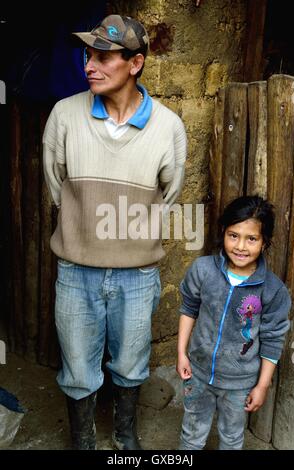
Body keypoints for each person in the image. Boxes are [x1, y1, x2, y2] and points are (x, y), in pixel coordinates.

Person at [42, 14, 187, 450]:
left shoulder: (168, 127)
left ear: (135, 63)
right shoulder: (65, 115)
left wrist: (127, 237)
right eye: (89, 54)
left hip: (137, 275)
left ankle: (126, 437)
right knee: (78, 367)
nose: (90, 65)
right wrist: (84, 229)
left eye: (104, 56)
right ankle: (83, 440)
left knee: (130, 362)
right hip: (76, 269)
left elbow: (169, 196)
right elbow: (57, 187)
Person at [176, 195, 291, 450]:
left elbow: (273, 340)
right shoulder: (203, 270)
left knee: (231, 438)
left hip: (240, 384)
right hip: (199, 374)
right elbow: (189, 308)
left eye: (251, 238)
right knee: (192, 435)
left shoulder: (273, 290)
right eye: (233, 235)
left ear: (265, 242)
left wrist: (262, 385)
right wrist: (181, 353)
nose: (240, 246)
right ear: (223, 233)